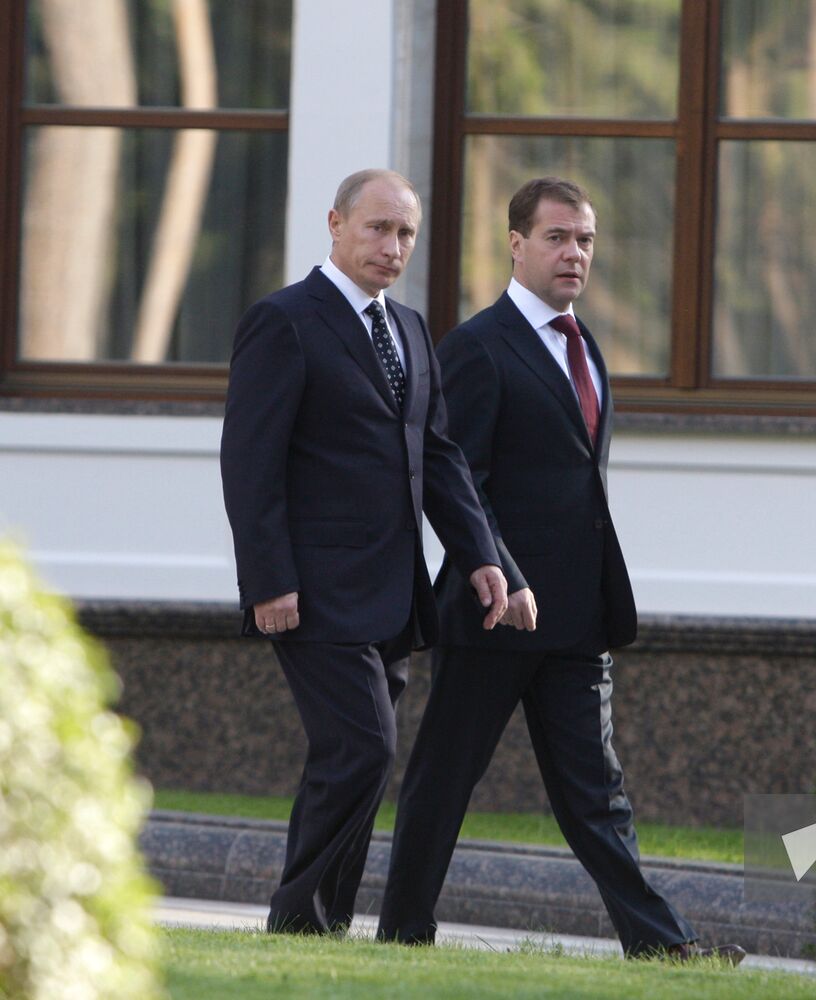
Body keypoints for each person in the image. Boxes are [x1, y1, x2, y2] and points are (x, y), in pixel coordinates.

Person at [377, 177, 742, 963]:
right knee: (443, 783)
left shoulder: (587, 344)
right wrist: (498, 571)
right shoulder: (477, 346)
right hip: (492, 613)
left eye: (584, 240)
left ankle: (661, 944)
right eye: (556, 238)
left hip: (577, 621)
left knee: (596, 797)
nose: (573, 253)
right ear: (516, 244)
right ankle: (402, 932)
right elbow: (457, 479)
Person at [220, 168, 509, 935]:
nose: (392, 246)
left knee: (356, 760)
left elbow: (437, 454)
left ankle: (326, 922)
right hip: (312, 590)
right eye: (377, 228)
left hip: (393, 592)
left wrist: (480, 554)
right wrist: (268, 581)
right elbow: (250, 463)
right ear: (336, 224)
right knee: (362, 748)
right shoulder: (283, 321)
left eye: (405, 232)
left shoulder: (412, 329)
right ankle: (300, 917)